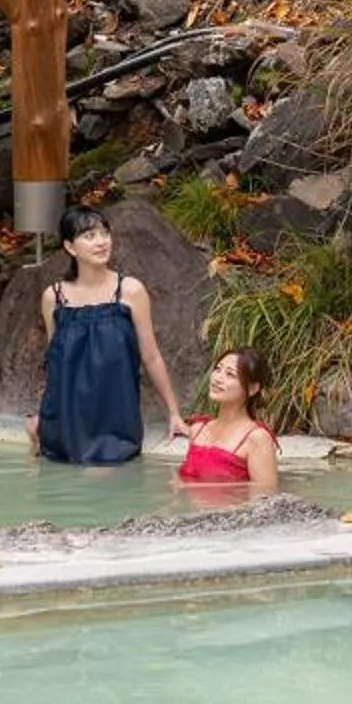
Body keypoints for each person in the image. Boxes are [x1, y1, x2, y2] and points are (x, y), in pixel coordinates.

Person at [30, 205, 186, 466]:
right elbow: (56, 362)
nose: (101, 242)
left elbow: (151, 356)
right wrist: (44, 416)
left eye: (104, 233)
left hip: (114, 420)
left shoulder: (130, 291)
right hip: (67, 418)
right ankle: (42, 429)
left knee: (104, 473)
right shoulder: (53, 297)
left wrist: (174, 413)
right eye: (89, 236)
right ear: (70, 247)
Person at [177, 348, 281, 491]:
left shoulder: (257, 438)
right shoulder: (198, 430)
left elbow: (266, 495)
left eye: (229, 374)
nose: (217, 378)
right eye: (218, 369)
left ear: (252, 388)